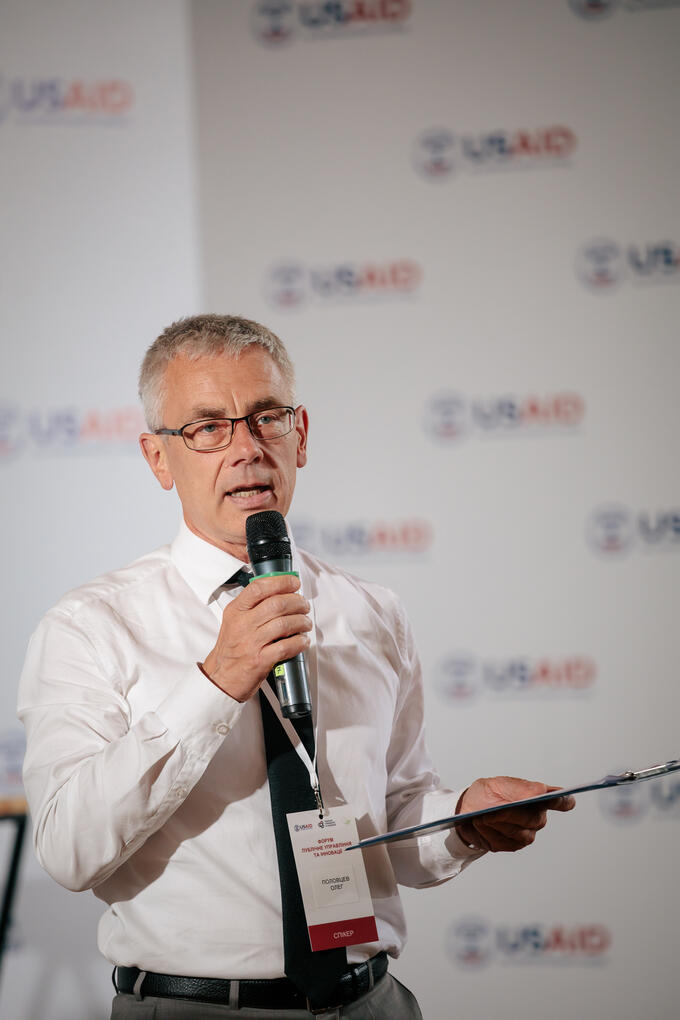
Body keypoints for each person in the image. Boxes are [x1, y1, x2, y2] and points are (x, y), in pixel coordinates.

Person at [18, 315, 574, 1019]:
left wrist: (464, 820)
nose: (246, 448)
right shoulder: (91, 626)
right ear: (158, 458)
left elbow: (395, 818)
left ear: (300, 434)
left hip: (370, 1000)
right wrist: (215, 682)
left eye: (266, 418)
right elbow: (68, 849)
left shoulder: (372, 611)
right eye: (208, 428)